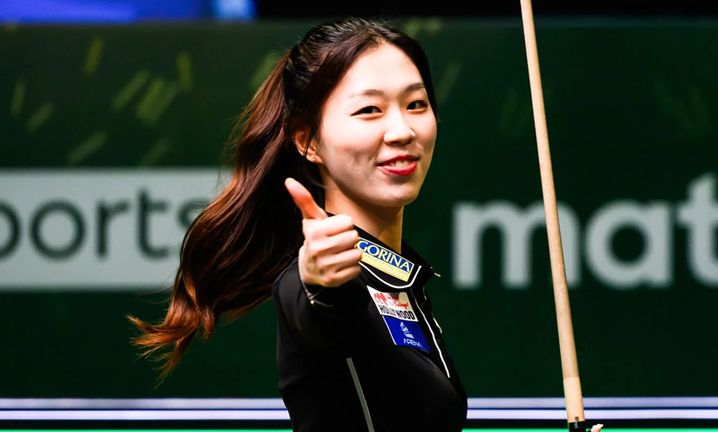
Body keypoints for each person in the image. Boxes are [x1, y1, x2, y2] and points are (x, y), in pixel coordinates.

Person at [128, 17, 467, 431]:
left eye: (416, 104)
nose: (402, 130)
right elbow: (325, 309)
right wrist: (322, 285)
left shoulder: (399, 278)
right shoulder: (309, 280)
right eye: (369, 110)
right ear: (308, 142)